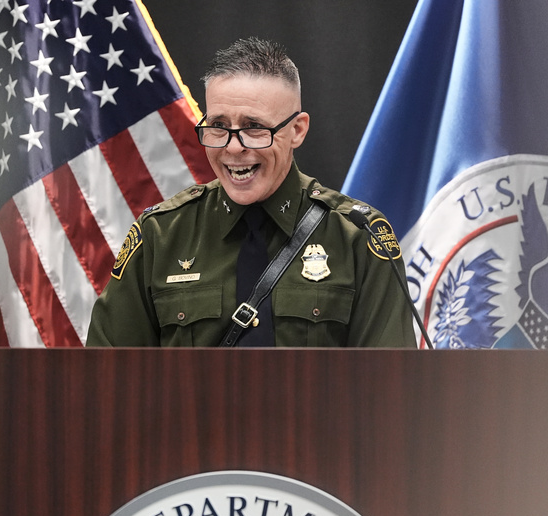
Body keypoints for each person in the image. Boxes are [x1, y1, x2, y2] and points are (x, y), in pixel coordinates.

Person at [86, 37, 416, 348]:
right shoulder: (160, 236)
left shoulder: (357, 236)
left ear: (297, 130)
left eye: (254, 128)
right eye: (218, 126)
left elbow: (390, 390)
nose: (233, 147)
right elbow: (107, 383)